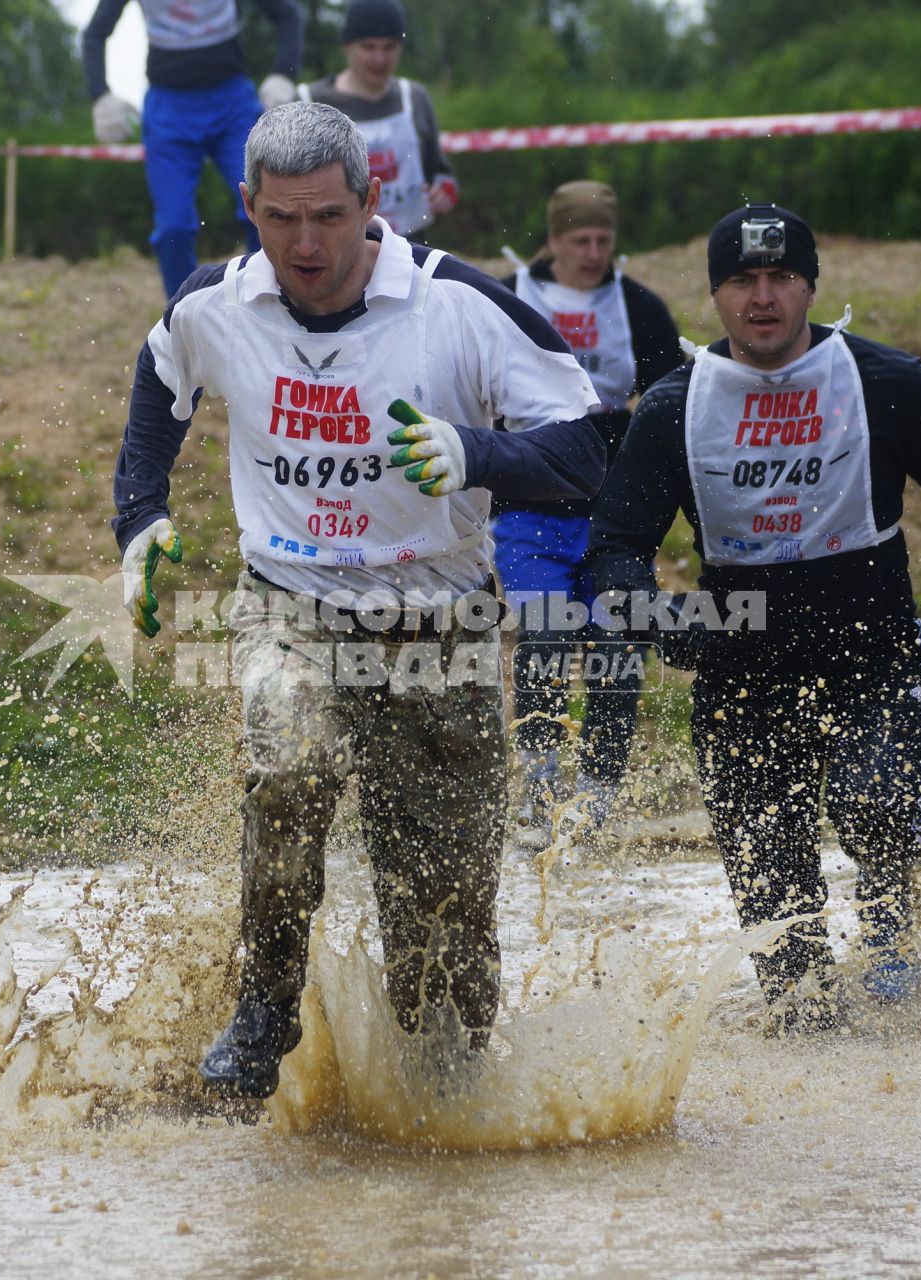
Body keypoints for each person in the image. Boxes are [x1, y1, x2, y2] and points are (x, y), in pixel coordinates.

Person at [111, 102, 603, 1097]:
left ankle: (440, 1115)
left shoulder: (459, 305)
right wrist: (139, 519)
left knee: (445, 955)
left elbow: (594, 449)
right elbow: (158, 380)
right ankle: (261, 1008)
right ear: (246, 205)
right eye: (281, 218)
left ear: (371, 198)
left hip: (443, 627)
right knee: (285, 762)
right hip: (288, 606)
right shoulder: (213, 304)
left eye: (328, 217)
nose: (305, 244)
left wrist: (479, 453)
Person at [586, 203, 921, 1027]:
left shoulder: (883, 381)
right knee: (794, 981)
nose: (763, 297)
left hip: (874, 659)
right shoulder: (677, 405)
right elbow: (615, 546)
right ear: (716, 294)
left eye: (782, 277)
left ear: (811, 285)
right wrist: (654, 618)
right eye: (743, 280)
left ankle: (899, 935)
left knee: (872, 801)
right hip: (741, 676)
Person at [494, 180, 684, 844]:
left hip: (611, 520)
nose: (593, 253)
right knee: (545, 640)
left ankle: (599, 796)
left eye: (604, 240)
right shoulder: (507, 297)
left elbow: (672, 402)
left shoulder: (638, 306)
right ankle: (540, 791)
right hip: (527, 512)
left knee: (615, 653)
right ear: (552, 240)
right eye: (580, 240)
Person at [81, 0, 303, 299]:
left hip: (232, 104)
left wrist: (283, 73)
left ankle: (276, 302)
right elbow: (95, 33)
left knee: (268, 205)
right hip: (168, 111)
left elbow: (288, 14)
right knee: (173, 226)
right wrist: (101, 95)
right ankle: (181, 320)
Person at [295, 0, 456, 239]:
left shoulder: (414, 98)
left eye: (389, 47)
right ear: (347, 47)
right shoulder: (308, 102)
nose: (380, 58)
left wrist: (445, 190)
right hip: (332, 253)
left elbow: (440, 172)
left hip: (408, 249)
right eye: (369, 47)